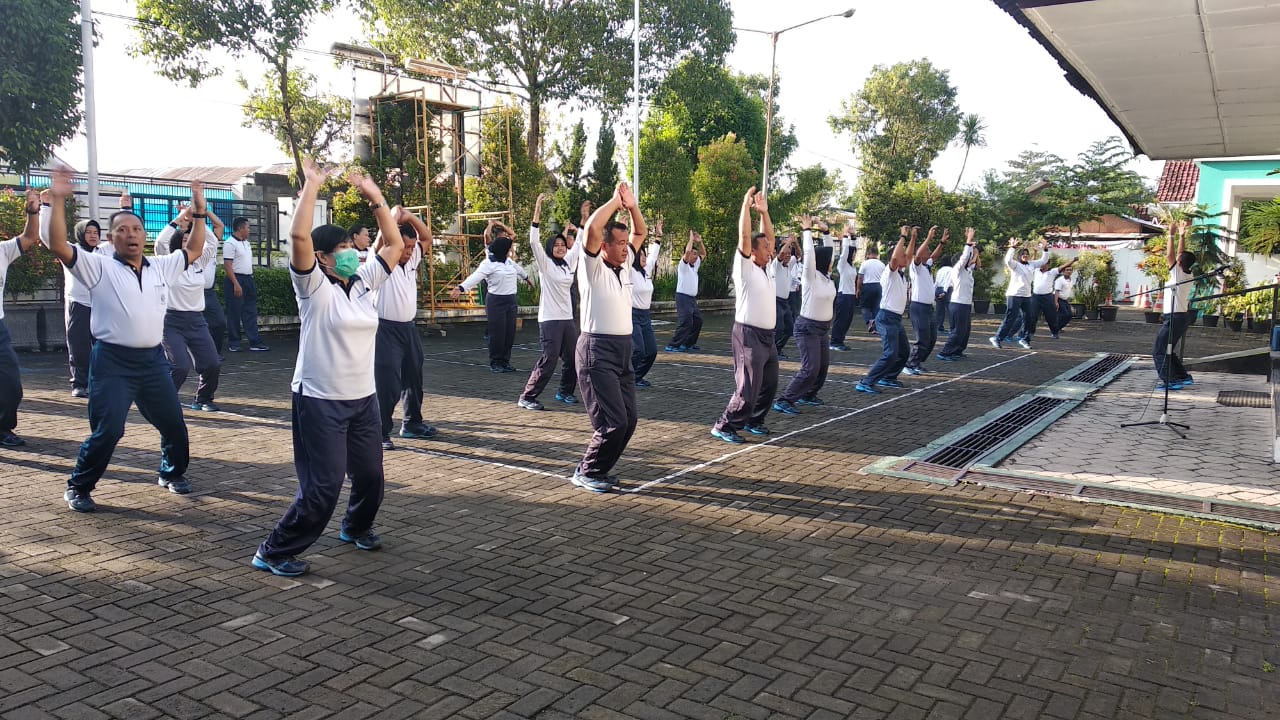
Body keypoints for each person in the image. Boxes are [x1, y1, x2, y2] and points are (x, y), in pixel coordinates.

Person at [253, 160, 405, 577]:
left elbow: (393, 244)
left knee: (371, 476)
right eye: (340, 248)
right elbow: (298, 236)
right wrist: (312, 186)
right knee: (323, 485)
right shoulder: (313, 287)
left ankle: (355, 527)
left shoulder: (365, 282)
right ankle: (273, 550)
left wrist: (375, 196)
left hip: (363, 399)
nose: (350, 252)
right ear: (321, 257)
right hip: (319, 400)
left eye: (351, 246)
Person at [45, 173, 208, 512]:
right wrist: (58, 199)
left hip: (153, 362)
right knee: (108, 430)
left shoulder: (162, 266)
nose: (131, 234)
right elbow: (58, 245)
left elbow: (193, 249)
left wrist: (200, 210)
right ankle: (79, 486)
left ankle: (171, 472)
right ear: (111, 238)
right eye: (122, 230)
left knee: (174, 424)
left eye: (136, 229)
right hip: (112, 363)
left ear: (144, 236)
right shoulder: (98, 267)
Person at [570, 181, 647, 493]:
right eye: (619, 243)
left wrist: (632, 205)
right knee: (612, 421)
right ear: (604, 246)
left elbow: (641, 232)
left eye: (627, 243)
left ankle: (599, 469)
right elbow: (592, 228)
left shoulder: (626, 264)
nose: (626, 248)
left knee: (629, 420)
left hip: (623, 351)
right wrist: (615, 201)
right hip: (597, 351)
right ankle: (587, 471)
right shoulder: (591, 267)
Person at [711, 188, 778, 444]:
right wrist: (745, 206)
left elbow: (769, 236)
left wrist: (764, 212)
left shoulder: (768, 268)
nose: (771, 249)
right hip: (748, 335)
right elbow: (744, 236)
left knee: (769, 384)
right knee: (748, 386)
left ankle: (754, 420)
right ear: (753, 251)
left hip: (768, 337)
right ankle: (725, 425)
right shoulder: (745, 268)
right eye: (765, 247)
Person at [374, 207, 437, 450]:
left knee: (414, 376)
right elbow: (382, 239)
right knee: (387, 383)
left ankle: (412, 423)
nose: (409, 252)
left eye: (411, 247)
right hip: (384, 330)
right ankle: (379, 432)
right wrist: (391, 218)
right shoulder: (381, 260)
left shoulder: (412, 260)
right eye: (405, 248)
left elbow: (427, 238)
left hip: (408, 329)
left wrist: (410, 217)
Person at [39, 191, 113, 398]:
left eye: (96, 232)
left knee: (104, 346)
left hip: (101, 305)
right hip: (78, 304)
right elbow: (48, 237)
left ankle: (102, 382)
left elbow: (126, 237)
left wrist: (126, 208)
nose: (93, 235)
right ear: (80, 233)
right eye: (88, 232)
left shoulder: (104, 252)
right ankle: (80, 383)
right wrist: (46, 207)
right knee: (79, 347)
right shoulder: (71, 251)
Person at [154, 204, 224, 412]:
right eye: (184, 241)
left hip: (196, 321)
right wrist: (179, 218)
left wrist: (198, 217)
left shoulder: (199, 263)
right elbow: (160, 242)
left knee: (212, 363)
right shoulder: (166, 264)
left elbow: (212, 241)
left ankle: (203, 399)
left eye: (190, 241)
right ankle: (163, 401)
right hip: (171, 321)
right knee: (179, 366)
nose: (188, 244)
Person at [519, 193, 581, 410]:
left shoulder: (568, 264)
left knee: (573, 358)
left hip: (567, 319)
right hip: (550, 320)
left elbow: (579, 244)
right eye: (556, 245)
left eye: (563, 245)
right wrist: (537, 209)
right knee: (550, 359)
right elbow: (533, 241)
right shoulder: (545, 265)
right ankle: (527, 396)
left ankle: (565, 392)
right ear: (550, 248)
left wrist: (583, 222)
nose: (561, 247)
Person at [773, 217, 836, 415]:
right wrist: (807, 231)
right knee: (810, 368)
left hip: (822, 329)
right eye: (829, 261)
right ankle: (785, 400)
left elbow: (830, 253)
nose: (831, 262)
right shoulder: (811, 277)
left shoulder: (827, 278)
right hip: (807, 328)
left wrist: (826, 232)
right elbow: (809, 254)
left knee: (822, 367)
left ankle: (808, 394)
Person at [451, 222, 531, 373]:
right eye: (509, 249)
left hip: (511, 301)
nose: (511, 251)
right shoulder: (489, 263)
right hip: (496, 301)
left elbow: (520, 270)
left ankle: (505, 361)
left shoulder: (509, 262)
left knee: (509, 333)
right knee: (498, 334)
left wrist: (527, 279)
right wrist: (460, 288)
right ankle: (496, 362)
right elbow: (475, 277)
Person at [0, 190, 43, 447]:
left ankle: (3, 427)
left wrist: (33, 211)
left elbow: (29, 237)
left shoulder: (3, 250)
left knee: (10, 384)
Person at [855, 227, 913, 394]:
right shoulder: (890, 272)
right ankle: (866, 382)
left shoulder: (901, 274)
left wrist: (913, 238)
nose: (906, 258)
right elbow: (895, 257)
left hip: (896, 319)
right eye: (902, 257)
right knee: (890, 353)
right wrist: (903, 236)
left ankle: (889, 377)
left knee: (904, 352)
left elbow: (908, 256)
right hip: (886, 318)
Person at [1154, 222, 1195, 391]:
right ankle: (1182, 376)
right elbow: (1179, 255)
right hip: (1181, 317)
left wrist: (1171, 235)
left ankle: (1170, 381)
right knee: (1168, 350)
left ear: (1179, 263)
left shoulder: (1178, 274)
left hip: (1174, 317)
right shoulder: (1188, 273)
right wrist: (1182, 235)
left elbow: (1170, 255)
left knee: (1159, 351)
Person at [990, 238, 1047, 349]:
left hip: (1026, 296)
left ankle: (1024, 339)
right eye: (1023, 254)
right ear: (1019, 256)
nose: (1025, 255)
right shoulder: (1015, 265)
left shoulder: (1031, 264)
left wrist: (1045, 249)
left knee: (1029, 318)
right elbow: (1008, 260)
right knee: (1011, 318)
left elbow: (1043, 260)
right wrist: (1012, 247)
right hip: (1014, 295)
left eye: (1026, 254)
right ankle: (997, 338)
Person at [904, 226, 947, 375]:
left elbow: (934, 257)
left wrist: (942, 243)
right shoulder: (915, 267)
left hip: (928, 308)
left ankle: (917, 362)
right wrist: (928, 238)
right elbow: (917, 256)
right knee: (922, 338)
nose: (929, 253)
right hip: (918, 307)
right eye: (926, 251)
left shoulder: (926, 267)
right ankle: (909, 364)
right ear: (920, 254)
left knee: (932, 338)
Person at [224, 216, 269, 352]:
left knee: (250, 311)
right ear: (240, 228)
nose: (249, 230)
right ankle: (234, 343)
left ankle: (254, 341)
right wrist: (236, 284)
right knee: (234, 312)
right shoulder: (230, 243)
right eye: (248, 227)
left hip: (248, 279)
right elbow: (228, 265)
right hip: (236, 279)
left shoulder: (246, 243)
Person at [936, 229, 980, 362]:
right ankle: (945, 352)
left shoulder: (967, 270)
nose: (969, 260)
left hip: (965, 304)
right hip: (958, 303)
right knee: (957, 330)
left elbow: (976, 262)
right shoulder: (957, 270)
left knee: (965, 330)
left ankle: (957, 350)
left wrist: (975, 250)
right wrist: (968, 241)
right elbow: (965, 257)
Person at [630, 222, 661, 388]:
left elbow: (653, 256)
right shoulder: (630, 272)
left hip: (645, 315)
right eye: (640, 255)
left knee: (651, 351)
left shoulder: (646, 271)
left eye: (644, 254)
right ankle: (627, 377)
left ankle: (637, 377)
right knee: (639, 350)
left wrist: (658, 237)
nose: (644, 257)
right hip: (632, 314)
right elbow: (627, 253)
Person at [666, 229, 706, 352]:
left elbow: (703, 254)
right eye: (693, 253)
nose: (696, 255)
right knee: (686, 322)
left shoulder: (695, 265)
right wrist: (691, 239)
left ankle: (688, 344)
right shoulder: (683, 265)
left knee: (698, 321)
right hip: (682, 297)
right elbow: (687, 251)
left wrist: (700, 242)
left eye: (696, 254)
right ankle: (673, 345)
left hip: (692, 299)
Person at [1028, 256, 1076, 340]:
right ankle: (1031, 332)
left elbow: (1063, 266)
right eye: (1041, 263)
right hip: (1036, 296)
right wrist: (1035, 252)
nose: (1041, 265)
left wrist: (1073, 260)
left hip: (1047, 297)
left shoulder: (1052, 272)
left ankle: (1054, 332)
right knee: (1032, 316)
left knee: (1051, 316)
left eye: (1044, 263)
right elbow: (1031, 263)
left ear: (1048, 265)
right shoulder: (1036, 270)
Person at [829, 224, 858, 351]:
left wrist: (853, 236)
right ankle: (834, 342)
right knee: (841, 319)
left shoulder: (852, 267)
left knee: (848, 320)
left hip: (850, 295)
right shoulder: (843, 265)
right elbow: (845, 251)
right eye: (853, 254)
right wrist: (846, 236)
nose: (854, 255)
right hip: (843, 295)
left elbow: (853, 248)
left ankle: (840, 340)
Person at [772, 235, 798, 357]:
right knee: (779, 328)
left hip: (785, 302)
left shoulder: (790, 264)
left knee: (789, 328)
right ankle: (771, 351)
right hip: (775, 301)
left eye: (789, 254)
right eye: (785, 253)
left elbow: (798, 255)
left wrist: (795, 243)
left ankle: (778, 349)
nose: (787, 256)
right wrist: (788, 243)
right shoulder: (776, 265)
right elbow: (781, 254)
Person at [857, 243, 885, 332]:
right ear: (877, 254)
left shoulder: (864, 264)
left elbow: (860, 277)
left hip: (867, 286)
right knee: (877, 307)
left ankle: (870, 321)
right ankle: (875, 326)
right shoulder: (882, 264)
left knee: (865, 306)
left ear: (868, 254)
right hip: (879, 286)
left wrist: (858, 289)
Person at [934, 254, 955, 334]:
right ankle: (952, 328)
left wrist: (933, 292)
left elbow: (936, 282)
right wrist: (944, 291)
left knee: (939, 310)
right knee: (950, 310)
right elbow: (948, 281)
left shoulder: (940, 270)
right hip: (947, 290)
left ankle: (939, 328)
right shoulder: (951, 270)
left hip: (938, 289)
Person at [1055, 264, 1075, 333]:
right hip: (1058, 298)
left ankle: (1058, 327)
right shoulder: (1060, 280)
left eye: (1070, 270)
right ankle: (1055, 328)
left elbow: (1067, 291)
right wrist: (1056, 302)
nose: (1069, 271)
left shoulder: (1070, 280)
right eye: (1067, 270)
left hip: (1065, 299)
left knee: (1070, 315)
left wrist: (1067, 300)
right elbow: (1057, 291)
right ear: (1063, 271)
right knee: (1064, 314)